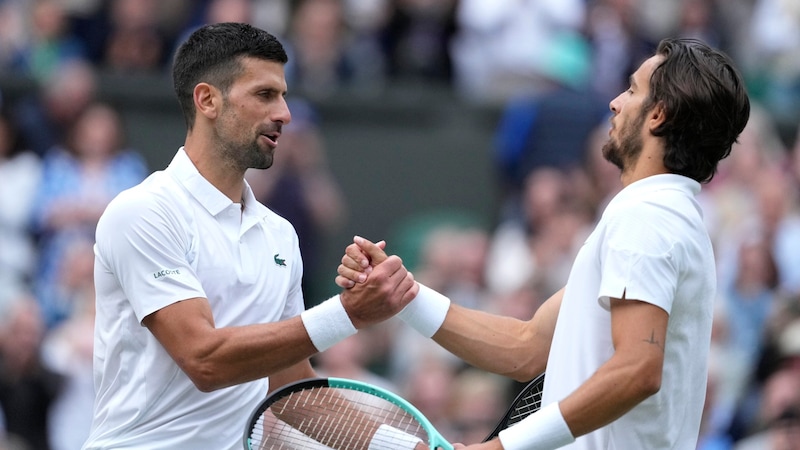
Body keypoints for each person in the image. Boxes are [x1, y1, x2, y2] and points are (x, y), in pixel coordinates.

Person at [338, 37, 751, 449]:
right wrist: (403, 296)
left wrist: (501, 448)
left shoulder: (647, 217)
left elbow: (638, 370)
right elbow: (526, 348)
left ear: (657, 115)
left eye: (631, 90)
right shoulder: (668, 216)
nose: (615, 102)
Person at [81, 22, 418, 450]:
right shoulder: (143, 212)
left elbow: (292, 391)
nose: (285, 114)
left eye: (283, 95)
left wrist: (409, 448)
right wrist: (348, 314)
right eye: (264, 95)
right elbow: (204, 360)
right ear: (207, 100)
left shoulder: (279, 236)